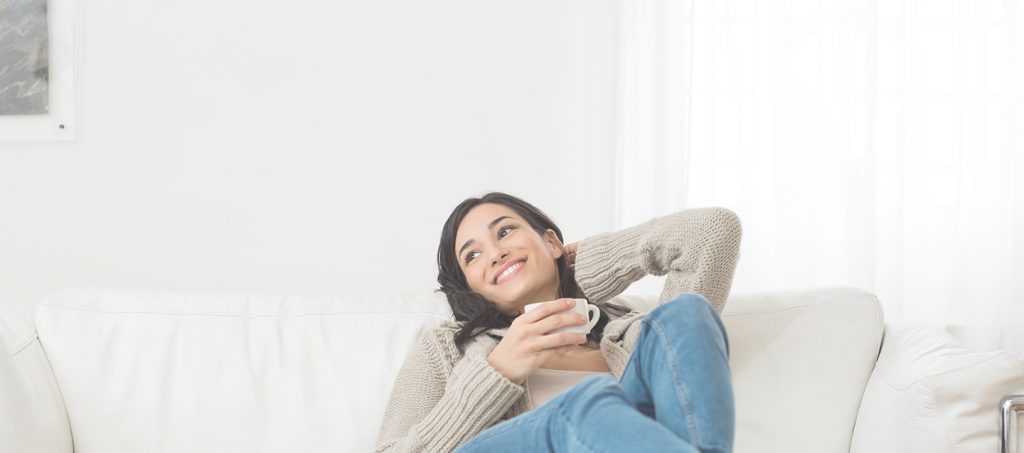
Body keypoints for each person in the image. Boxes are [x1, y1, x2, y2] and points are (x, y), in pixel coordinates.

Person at [374, 192, 742, 453]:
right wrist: (497, 371)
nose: (496, 253)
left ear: (551, 242)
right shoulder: (448, 349)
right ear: (470, 287)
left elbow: (712, 231)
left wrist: (584, 267)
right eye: (472, 255)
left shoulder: (630, 332)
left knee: (687, 311)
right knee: (588, 405)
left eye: (505, 232)